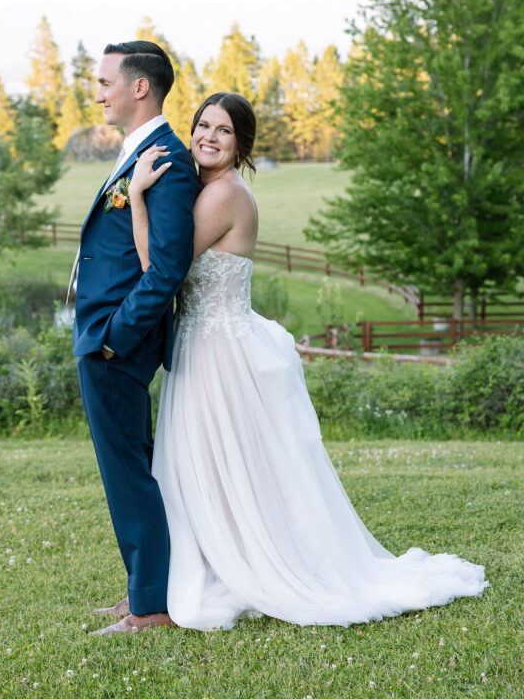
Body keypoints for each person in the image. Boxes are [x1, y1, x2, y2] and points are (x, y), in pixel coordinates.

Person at [128, 91, 488, 630]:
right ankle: (209, 561)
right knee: (210, 464)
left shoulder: (223, 195)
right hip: (206, 344)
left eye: (223, 130)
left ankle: (239, 563)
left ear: (241, 143)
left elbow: (162, 268)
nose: (208, 136)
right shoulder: (208, 188)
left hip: (218, 353)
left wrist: (136, 197)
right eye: (202, 125)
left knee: (221, 463)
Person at [71, 40, 201, 636]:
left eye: (104, 81)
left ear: (139, 86)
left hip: (115, 341)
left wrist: (114, 339)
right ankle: (144, 591)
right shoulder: (140, 152)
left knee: (129, 473)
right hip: (103, 334)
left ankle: (152, 609)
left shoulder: (167, 159)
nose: (97, 91)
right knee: (130, 468)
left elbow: (167, 268)